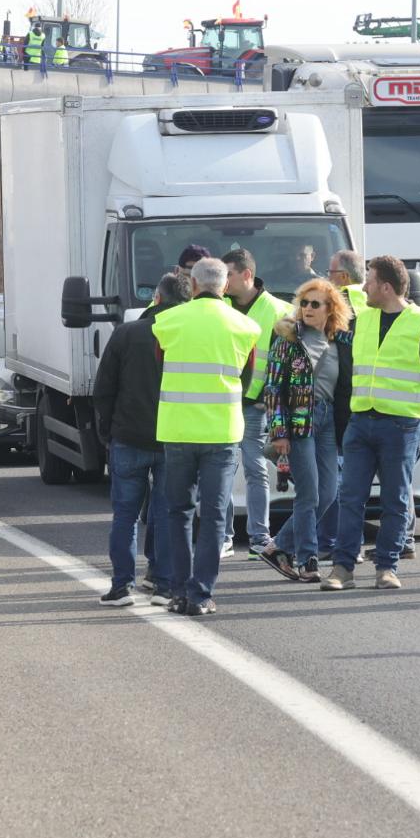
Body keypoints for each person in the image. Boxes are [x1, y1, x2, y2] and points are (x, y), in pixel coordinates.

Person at [321, 256, 420, 591]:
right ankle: (342, 568)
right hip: (361, 422)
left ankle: (387, 567)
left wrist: (415, 411)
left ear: (387, 287)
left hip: (401, 426)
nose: (363, 288)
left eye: (370, 281)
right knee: (350, 497)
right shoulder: (362, 321)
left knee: (394, 500)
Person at [153, 258, 260, 615]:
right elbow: (245, 380)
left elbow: (159, 366)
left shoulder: (167, 322)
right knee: (214, 515)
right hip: (222, 430)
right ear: (225, 286)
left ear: (193, 285)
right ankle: (202, 593)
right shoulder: (245, 326)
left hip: (178, 429)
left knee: (178, 512)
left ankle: (179, 590)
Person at [93, 271, 190, 606]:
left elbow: (103, 389)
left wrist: (107, 430)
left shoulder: (127, 334)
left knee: (125, 515)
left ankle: (122, 586)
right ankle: (163, 586)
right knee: (166, 514)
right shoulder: (188, 336)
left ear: (157, 299)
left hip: (128, 436)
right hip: (173, 438)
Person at [260, 278, 352, 584]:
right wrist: (279, 431)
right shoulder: (288, 337)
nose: (308, 309)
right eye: (305, 303)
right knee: (309, 492)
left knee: (328, 492)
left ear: (331, 309)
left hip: (328, 421)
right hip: (300, 420)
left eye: (316, 304)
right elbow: (272, 388)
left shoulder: (341, 341)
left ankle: (278, 548)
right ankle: (308, 559)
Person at [221, 248, 293, 558]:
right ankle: (223, 536)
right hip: (222, 400)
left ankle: (259, 537)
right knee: (222, 468)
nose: (224, 281)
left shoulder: (278, 310)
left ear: (246, 275)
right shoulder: (218, 306)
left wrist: (272, 399)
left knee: (254, 467)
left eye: (229, 275)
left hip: (254, 404)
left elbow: (286, 362)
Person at [328, 249, 368, 314]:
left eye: (330, 272)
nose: (328, 278)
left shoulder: (336, 301)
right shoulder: (371, 296)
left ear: (344, 276)